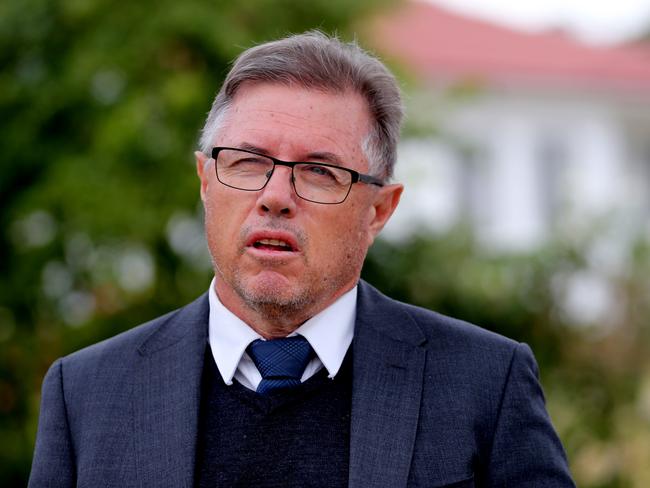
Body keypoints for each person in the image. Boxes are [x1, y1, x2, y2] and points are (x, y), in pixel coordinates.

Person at [29, 31, 575, 487]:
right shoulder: (85, 395)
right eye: (246, 161)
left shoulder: (485, 384)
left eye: (319, 171)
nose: (275, 195)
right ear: (205, 181)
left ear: (379, 210)